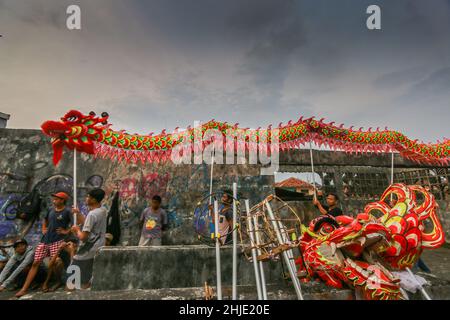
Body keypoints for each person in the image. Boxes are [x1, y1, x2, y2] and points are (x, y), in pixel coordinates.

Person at [15, 192, 78, 298]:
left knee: (53, 264)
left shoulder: (67, 211)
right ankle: (24, 289)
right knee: (36, 262)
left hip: (57, 241)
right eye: (54, 198)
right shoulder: (50, 209)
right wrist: (44, 228)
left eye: (57, 199)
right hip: (45, 240)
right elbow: (45, 220)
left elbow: (74, 225)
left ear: (63, 200)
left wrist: (66, 232)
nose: (54, 200)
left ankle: (49, 283)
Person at [69, 188, 108, 289]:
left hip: (86, 250)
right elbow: (88, 223)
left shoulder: (92, 214)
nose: (86, 198)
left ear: (94, 200)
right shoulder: (102, 210)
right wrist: (78, 213)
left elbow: (83, 237)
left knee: (72, 284)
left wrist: (77, 230)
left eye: (88, 197)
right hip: (97, 248)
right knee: (86, 281)